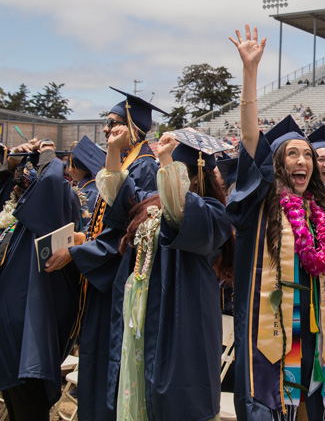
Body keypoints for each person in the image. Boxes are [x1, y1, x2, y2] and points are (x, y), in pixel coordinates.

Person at [227, 25, 325, 421]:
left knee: (313, 406)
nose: (302, 160)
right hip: (278, 328)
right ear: (278, 163)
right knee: (279, 402)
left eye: (307, 155)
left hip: (320, 328)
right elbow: (251, 143)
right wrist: (250, 73)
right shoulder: (262, 205)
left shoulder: (324, 211)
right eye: (292, 154)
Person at [45, 88, 165, 421]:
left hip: (118, 282)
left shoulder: (144, 167)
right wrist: (85, 238)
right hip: (103, 279)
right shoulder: (123, 161)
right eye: (106, 124)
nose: (108, 130)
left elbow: (132, 234)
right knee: (95, 366)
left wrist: (80, 252)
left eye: (115, 124)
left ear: (134, 127)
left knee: (109, 365)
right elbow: (108, 223)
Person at [99, 127, 233, 420]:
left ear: (196, 176)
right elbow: (119, 194)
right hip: (143, 309)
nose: (166, 173)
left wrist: (165, 159)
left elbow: (179, 209)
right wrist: (113, 151)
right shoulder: (153, 202)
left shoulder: (212, 213)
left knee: (174, 397)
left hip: (181, 312)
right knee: (139, 385)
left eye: (174, 169)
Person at [0, 140, 82, 420]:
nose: (20, 187)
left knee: (28, 409)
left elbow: (52, 193)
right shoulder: (16, 218)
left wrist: (49, 160)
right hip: (9, 333)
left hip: (30, 333)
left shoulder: (57, 206)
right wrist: (10, 165)